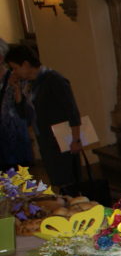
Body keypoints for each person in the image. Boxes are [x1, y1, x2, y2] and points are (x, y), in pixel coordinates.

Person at [4, 44, 82, 187]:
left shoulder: (53, 79)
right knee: (58, 180)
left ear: (26, 64)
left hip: (62, 139)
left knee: (70, 181)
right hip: (45, 139)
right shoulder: (28, 84)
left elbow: (71, 109)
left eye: (15, 68)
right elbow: (23, 115)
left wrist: (76, 138)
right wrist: (16, 89)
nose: (14, 72)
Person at [0, 39, 33, 168]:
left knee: (17, 186)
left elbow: (27, 114)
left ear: (1, 58)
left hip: (15, 147)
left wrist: (16, 89)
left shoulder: (18, 79)